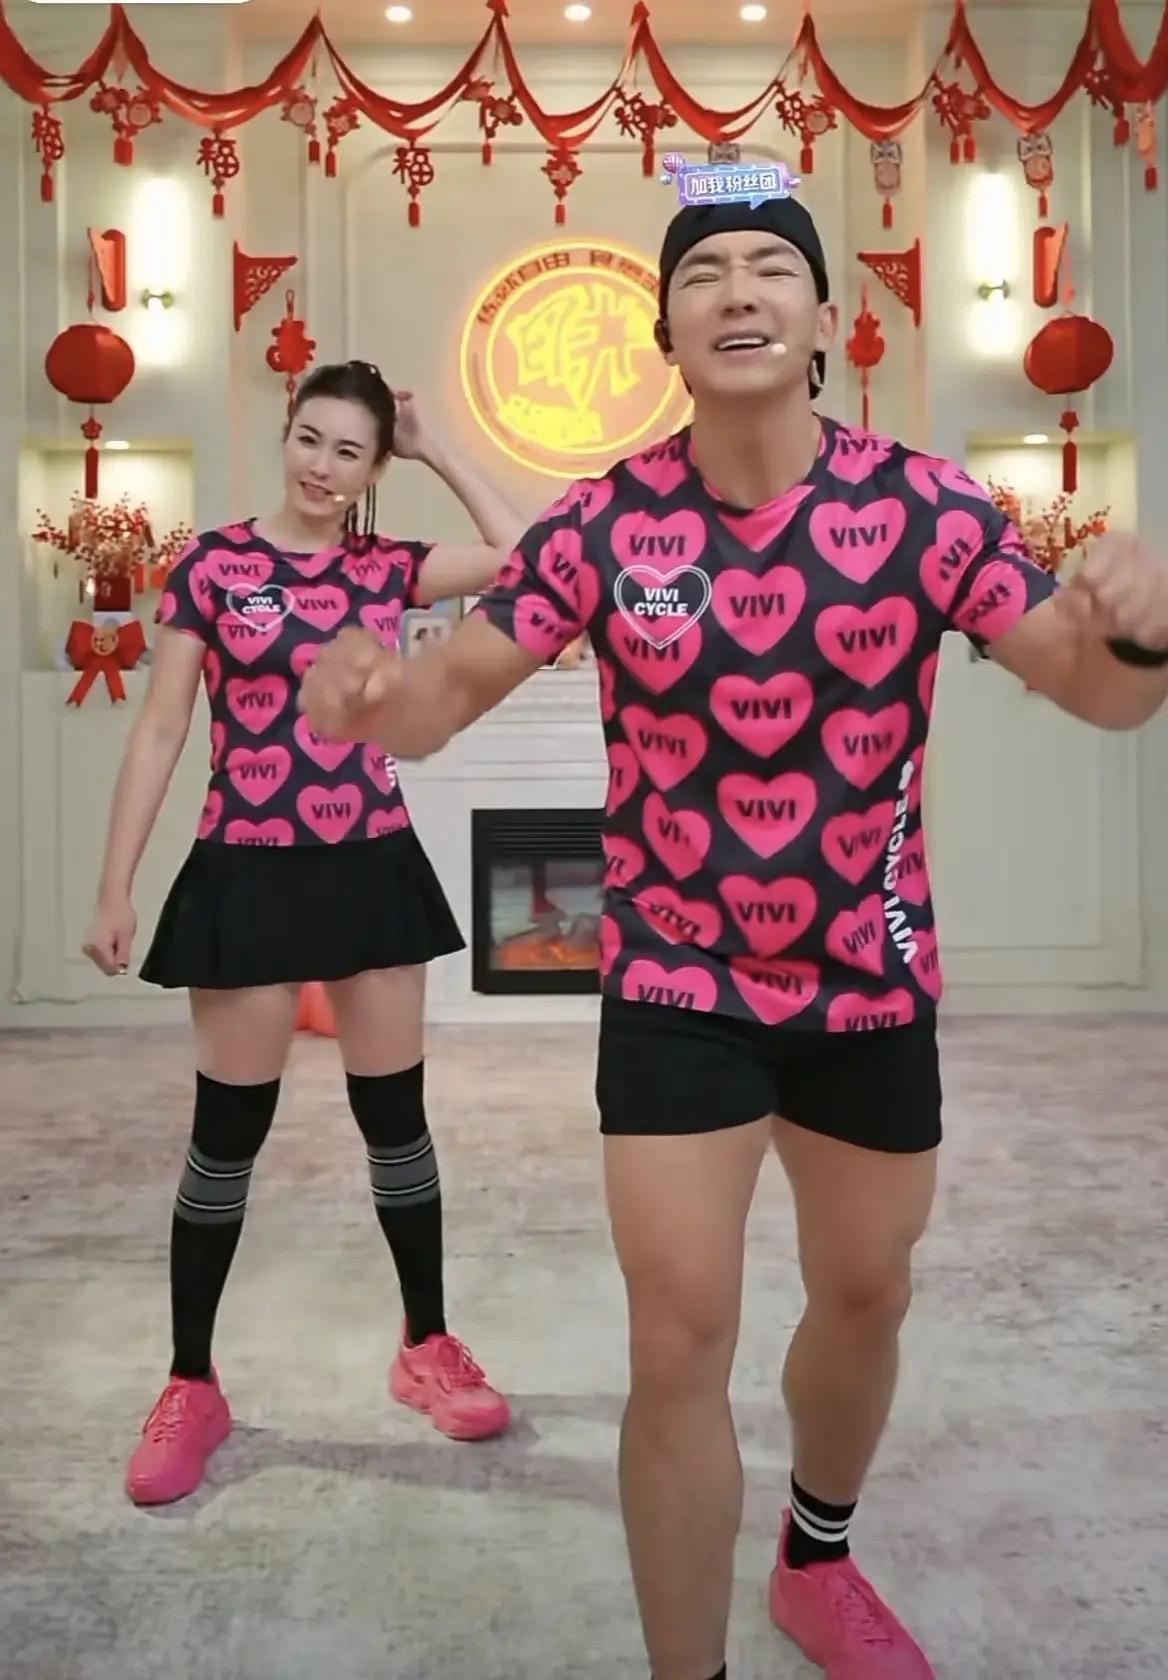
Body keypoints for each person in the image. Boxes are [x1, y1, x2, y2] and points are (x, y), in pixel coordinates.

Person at [298, 202, 1168, 1680]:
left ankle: (815, 1558)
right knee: (677, 1337)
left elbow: (1103, 693)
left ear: (824, 322)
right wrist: (372, 698)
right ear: (668, 335)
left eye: (774, 268)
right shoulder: (600, 525)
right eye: (701, 272)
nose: (738, 289)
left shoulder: (931, 509)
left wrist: (1141, 632)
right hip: (674, 984)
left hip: (869, 978)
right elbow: (440, 705)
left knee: (866, 1292)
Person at [82, 359, 524, 1508]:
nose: (323, 468)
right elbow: (162, 727)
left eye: (351, 452)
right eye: (311, 440)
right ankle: (192, 1383)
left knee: (397, 1124)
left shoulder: (388, 568)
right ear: (286, 435)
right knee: (225, 1138)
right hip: (245, 868)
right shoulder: (213, 566)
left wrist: (438, 447)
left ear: (375, 469)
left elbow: (529, 560)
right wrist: (117, 884)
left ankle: (426, 1344)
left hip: (369, 865)